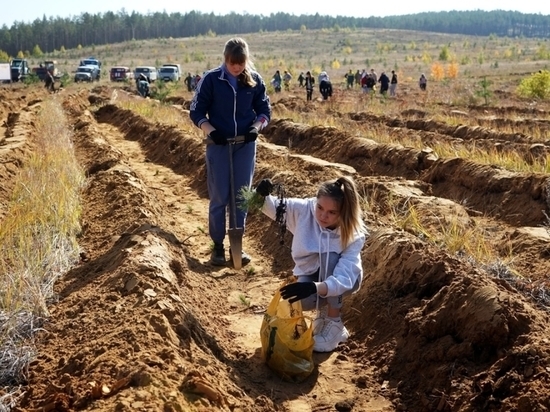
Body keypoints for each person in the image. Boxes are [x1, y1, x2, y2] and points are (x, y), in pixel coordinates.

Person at [255, 176, 367, 352]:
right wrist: (261, 194)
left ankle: (334, 321)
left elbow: (344, 277)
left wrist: (314, 287)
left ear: (342, 213)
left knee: (330, 257)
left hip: (346, 280)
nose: (323, 215)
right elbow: (269, 206)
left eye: (332, 212)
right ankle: (323, 317)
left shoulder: (352, 234)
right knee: (301, 302)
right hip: (311, 274)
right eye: (320, 207)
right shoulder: (305, 210)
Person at [190, 37, 271, 266]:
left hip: (245, 145)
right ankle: (217, 246)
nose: (236, 67)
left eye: (241, 62)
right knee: (219, 196)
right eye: (232, 62)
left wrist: (256, 128)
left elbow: (265, 110)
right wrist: (211, 130)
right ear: (225, 59)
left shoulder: (254, 81)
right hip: (218, 145)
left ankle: (237, 245)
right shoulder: (212, 80)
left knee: (242, 197)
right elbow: (196, 111)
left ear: (246, 60)